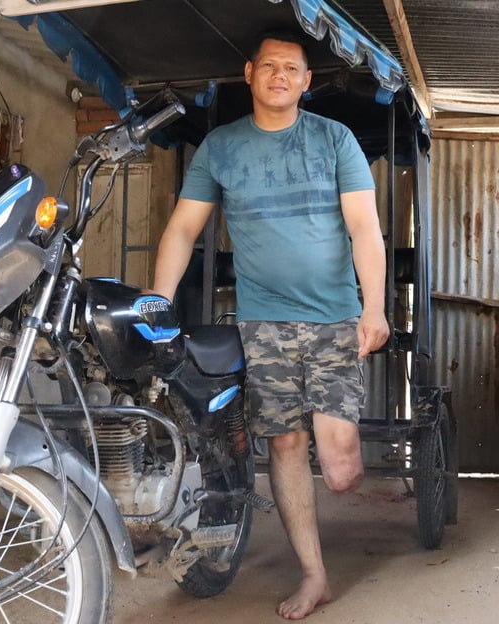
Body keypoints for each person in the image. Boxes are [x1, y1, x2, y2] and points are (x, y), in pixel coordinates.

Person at [151, 30, 390, 620]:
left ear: (307, 82)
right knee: (284, 442)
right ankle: (315, 575)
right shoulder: (220, 148)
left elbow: (364, 228)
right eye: (270, 66)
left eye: (293, 68)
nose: (280, 75)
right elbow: (183, 230)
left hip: (334, 319)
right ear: (251, 73)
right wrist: (158, 302)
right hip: (263, 324)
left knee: (339, 469)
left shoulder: (334, 141)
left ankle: (329, 468)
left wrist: (375, 306)